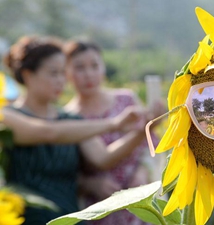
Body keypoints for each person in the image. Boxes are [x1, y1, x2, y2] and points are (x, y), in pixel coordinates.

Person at [1, 35, 153, 225]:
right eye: (53, 73)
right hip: (24, 218)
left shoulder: (71, 121)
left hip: (70, 218)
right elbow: (48, 132)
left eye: (63, 73)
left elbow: (103, 158)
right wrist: (115, 123)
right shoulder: (6, 117)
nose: (61, 81)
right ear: (28, 74)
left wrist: (143, 129)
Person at [64, 40, 162, 225]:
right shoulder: (70, 117)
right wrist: (90, 184)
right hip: (102, 208)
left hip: (141, 198)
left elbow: (152, 144)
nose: (89, 74)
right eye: (80, 68)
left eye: (94, 66)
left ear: (103, 68)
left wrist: (143, 170)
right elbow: (98, 161)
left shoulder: (126, 99)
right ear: (67, 73)